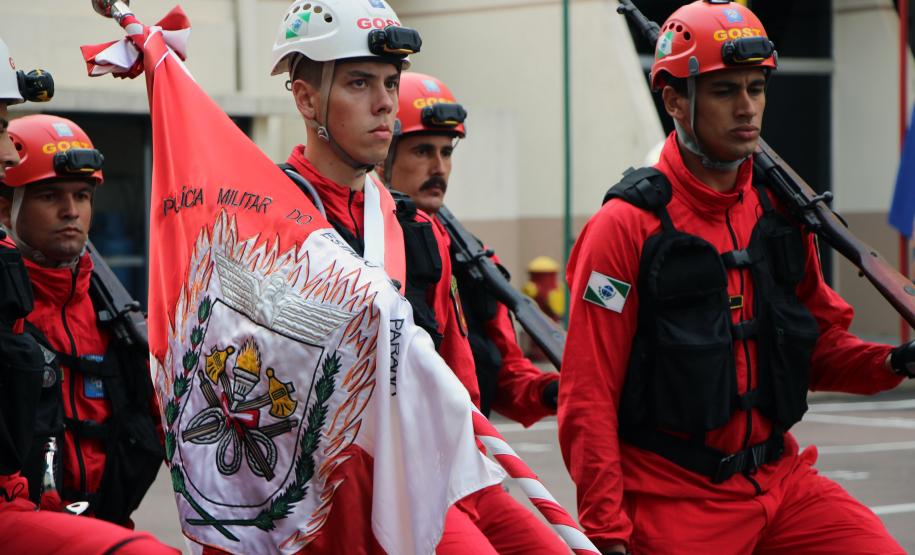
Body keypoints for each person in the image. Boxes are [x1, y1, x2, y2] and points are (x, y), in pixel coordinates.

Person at [557, 2, 913, 553]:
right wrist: (607, 531)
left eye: (756, 88)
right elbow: (588, 395)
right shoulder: (625, 226)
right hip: (674, 500)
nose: (748, 108)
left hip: (783, 485)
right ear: (674, 100)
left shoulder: (782, 212)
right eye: (725, 91)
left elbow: (815, 347)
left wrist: (890, 363)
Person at [270, 2, 567, 552]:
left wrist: (562, 388)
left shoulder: (422, 234)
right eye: (360, 82)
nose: (384, 102)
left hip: (445, 468)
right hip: (341, 488)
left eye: (389, 82)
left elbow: (464, 380)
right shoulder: (270, 221)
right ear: (306, 97)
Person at [0, 38, 176, 555]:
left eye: (82, 196)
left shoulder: (118, 316)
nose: (71, 211)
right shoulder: (9, 310)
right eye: (51, 196)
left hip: (106, 525)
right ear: (6, 205)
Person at [380, 71, 559, 424]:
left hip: (463, 458)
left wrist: (555, 390)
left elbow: (507, 376)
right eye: (422, 151)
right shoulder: (364, 248)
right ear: (382, 155)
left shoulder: (473, 258)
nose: (439, 167)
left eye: (446, 152)